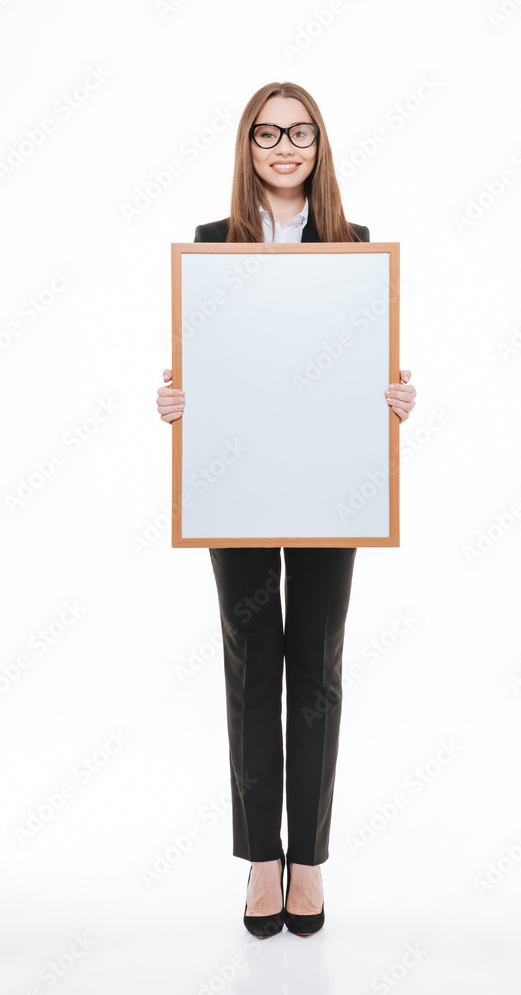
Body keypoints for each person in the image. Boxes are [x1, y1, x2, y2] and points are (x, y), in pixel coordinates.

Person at [156, 82, 416, 937]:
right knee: (249, 666)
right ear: (248, 145)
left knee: (315, 666)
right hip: (234, 484)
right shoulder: (211, 244)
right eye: (267, 133)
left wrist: (394, 397)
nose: (284, 147)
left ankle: (307, 861)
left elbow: (366, 368)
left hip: (328, 482)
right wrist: (175, 401)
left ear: (318, 145)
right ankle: (259, 862)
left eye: (299, 132)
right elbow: (205, 368)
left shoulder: (353, 244)